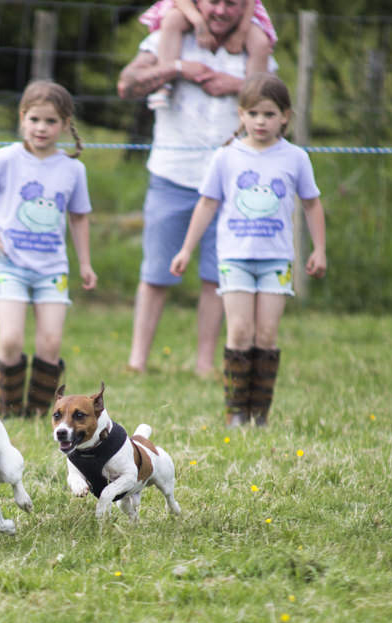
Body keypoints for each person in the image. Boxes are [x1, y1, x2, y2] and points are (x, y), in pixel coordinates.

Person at [117, 0, 275, 379]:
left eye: (231, 4)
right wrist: (177, 69)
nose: (220, 11)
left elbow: (275, 96)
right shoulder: (169, 36)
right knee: (156, 271)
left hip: (232, 183)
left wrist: (235, 85)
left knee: (217, 276)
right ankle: (138, 360)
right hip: (173, 173)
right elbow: (126, 84)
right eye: (212, 2)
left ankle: (205, 363)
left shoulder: (255, 43)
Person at [171, 73, 326, 427]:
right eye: (253, 113)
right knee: (239, 331)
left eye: (269, 114)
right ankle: (235, 413)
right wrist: (185, 250)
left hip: (276, 260)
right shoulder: (226, 158)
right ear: (241, 115)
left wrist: (319, 250)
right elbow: (207, 205)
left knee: (266, 334)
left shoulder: (296, 158)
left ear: (285, 117)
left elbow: (312, 204)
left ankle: (260, 415)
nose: (261, 121)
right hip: (234, 258)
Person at [0, 80, 98, 418]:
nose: (42, 128)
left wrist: (86, 264)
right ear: (22, 118)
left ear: (65, 125)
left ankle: (36, 414)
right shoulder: (5, 159)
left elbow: (79, 218)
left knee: (50, 344)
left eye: (51, 122)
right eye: (34, 119)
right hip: (10, 265)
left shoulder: (73, 169)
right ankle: (8, 411)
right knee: (10, 341)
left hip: (52, 269)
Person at [139, 0, 276, 110]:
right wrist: (198, 22)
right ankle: (164, 84)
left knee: (260, 42)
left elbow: (249, 3)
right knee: (172, 18)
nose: (220, 10)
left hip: (243, 15)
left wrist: (241, 33)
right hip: (192, 9)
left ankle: (253, 99)